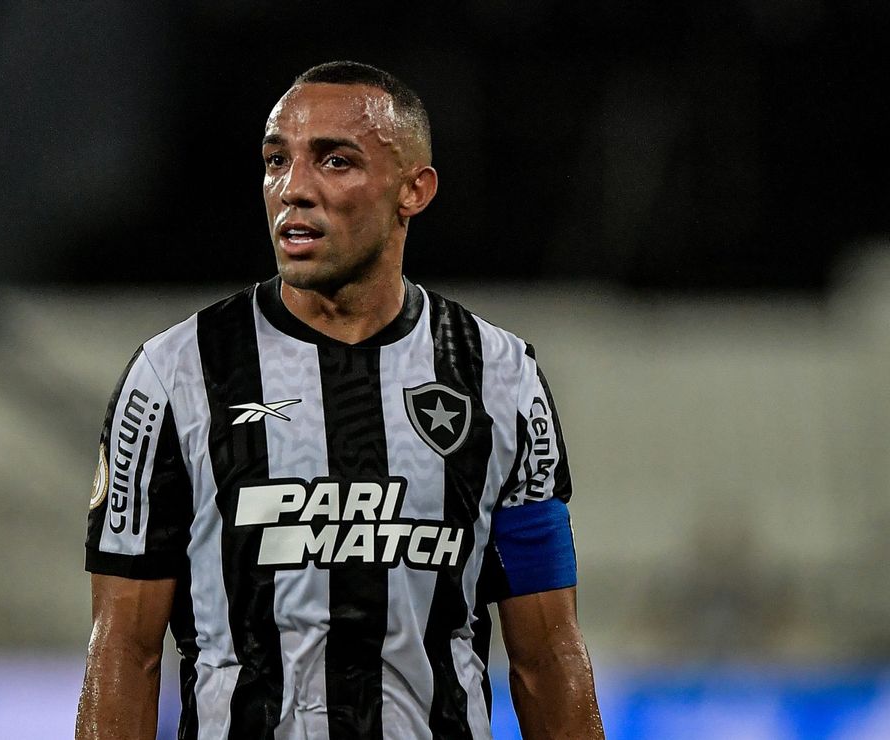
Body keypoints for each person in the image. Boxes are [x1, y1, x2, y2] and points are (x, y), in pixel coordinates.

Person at [76, 60, 604, 740]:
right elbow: (124, 648)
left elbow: (547, 653)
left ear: (413, 190)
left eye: (334, 161)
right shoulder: (173, 374)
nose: (293, 188)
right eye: (276, 160)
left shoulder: (500, 376)